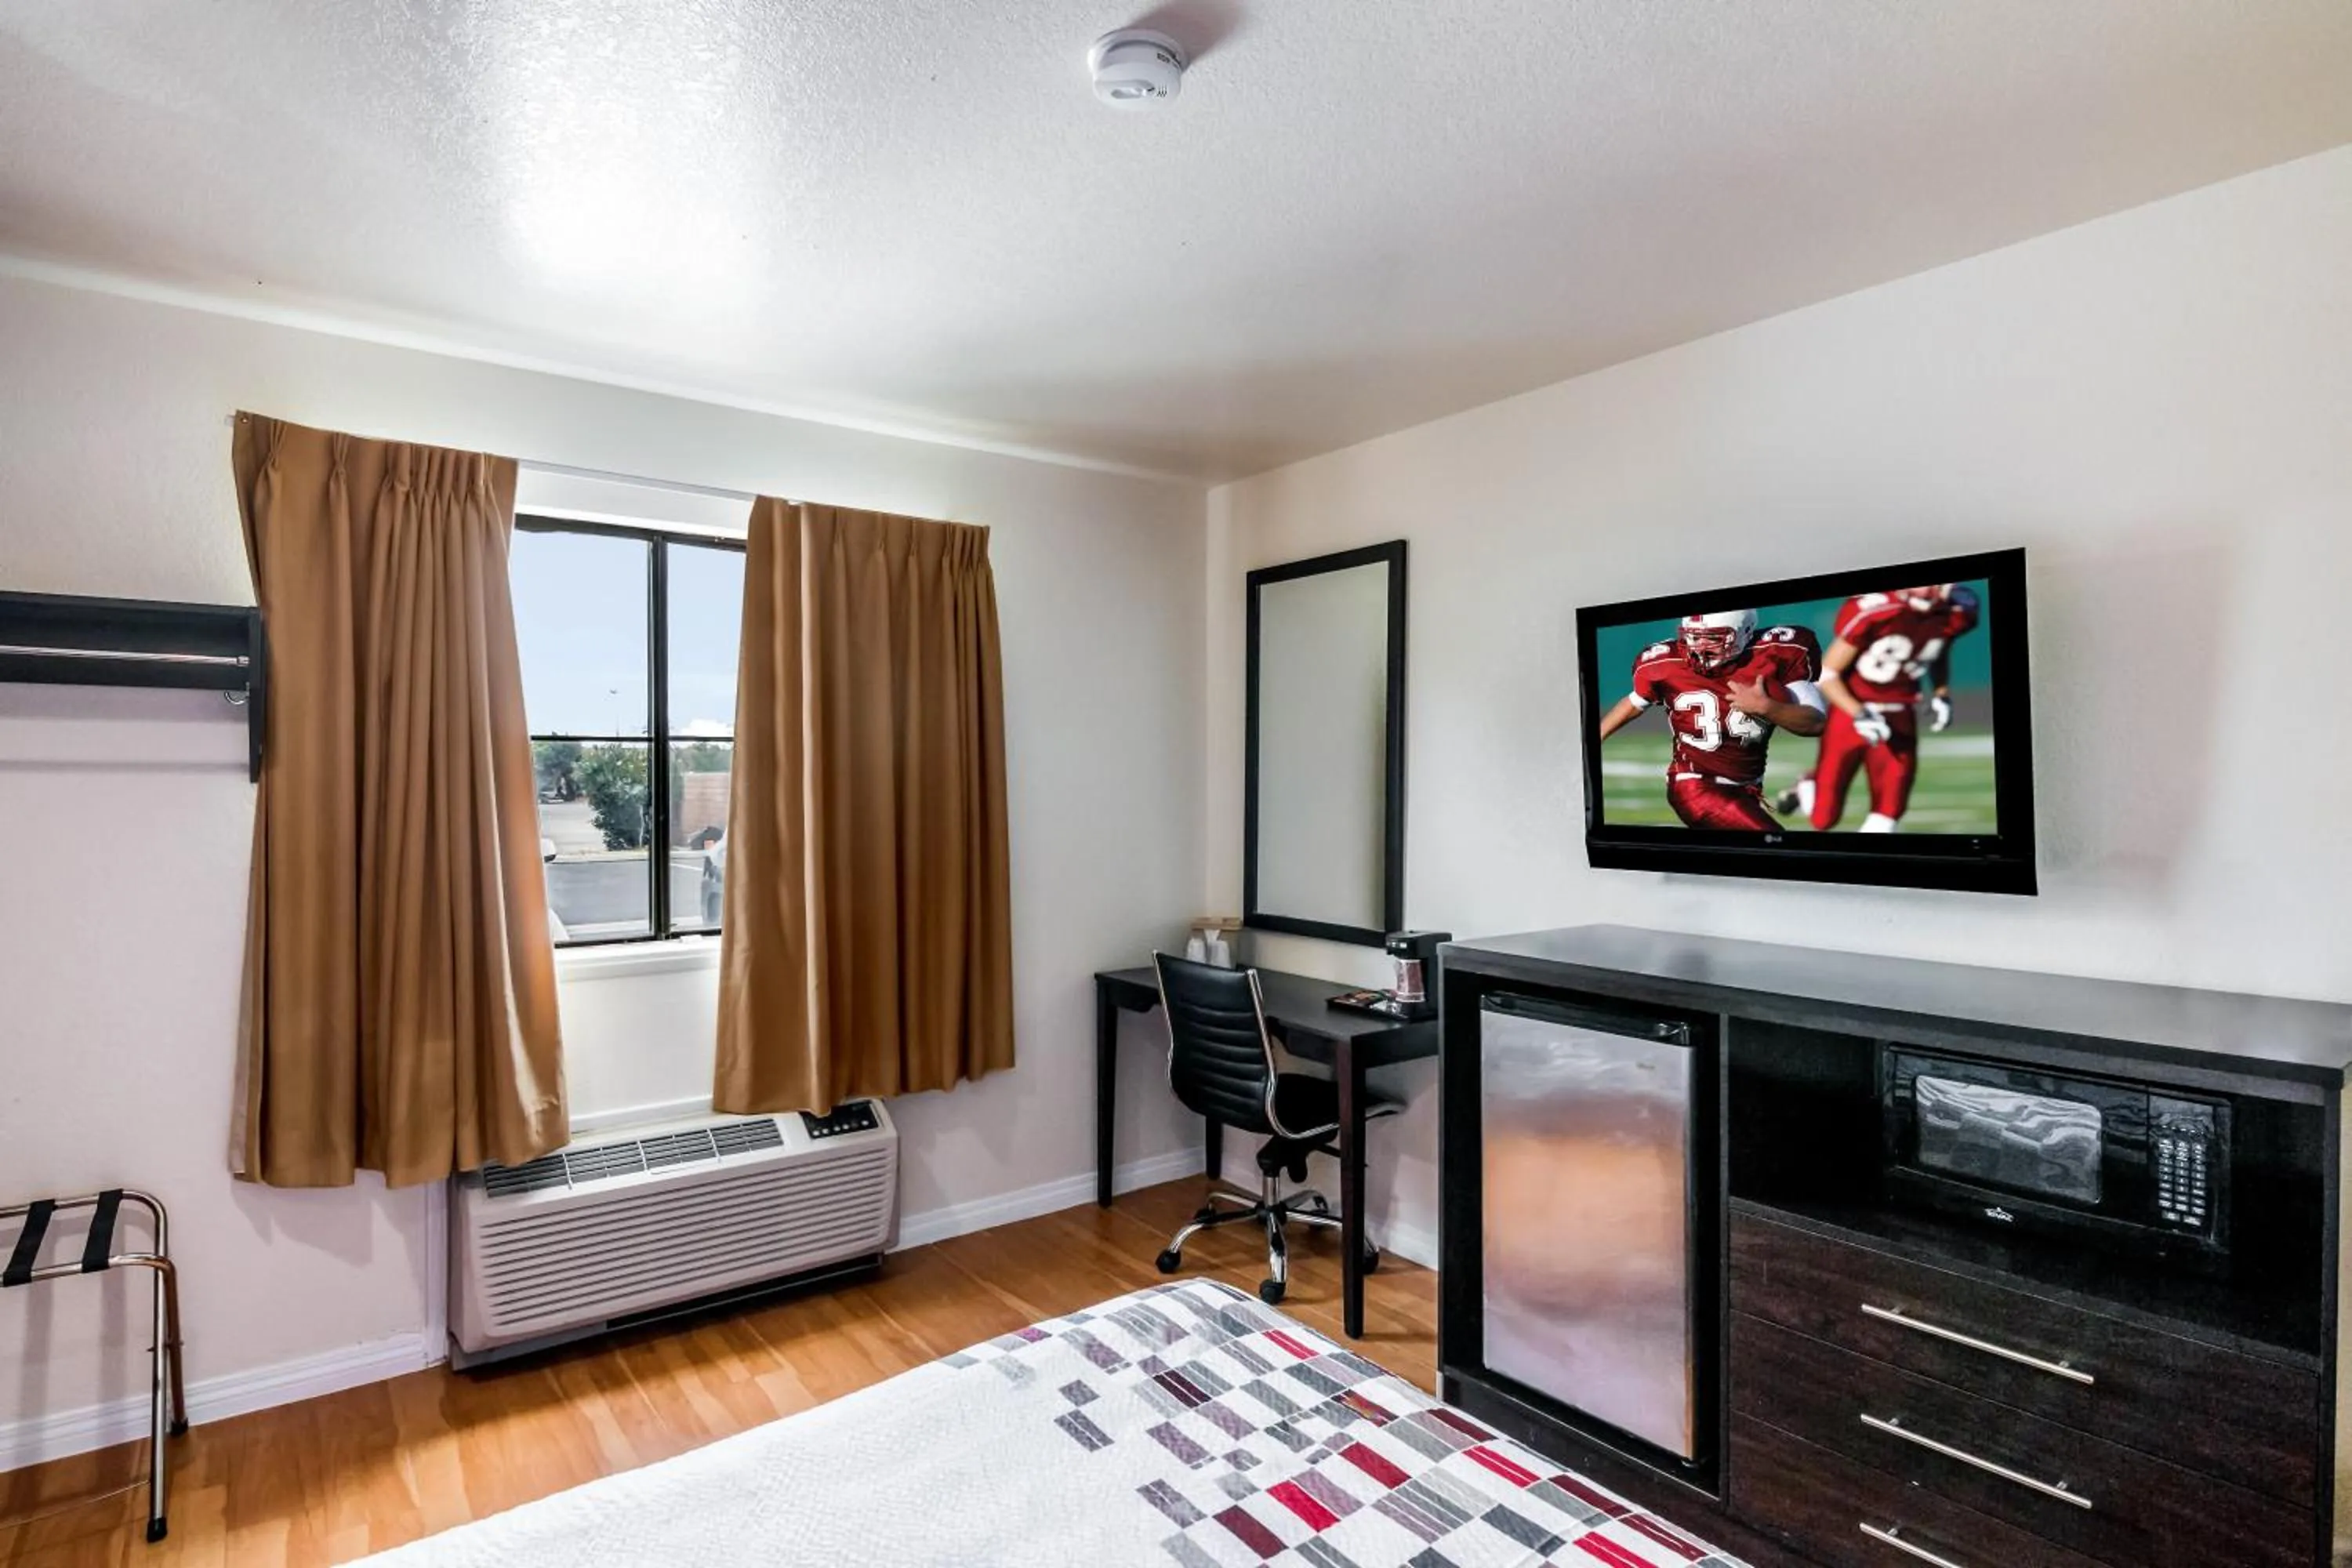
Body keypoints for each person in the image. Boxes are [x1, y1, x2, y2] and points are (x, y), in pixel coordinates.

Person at [1596, 609, 1827, 830]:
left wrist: (1767, 708)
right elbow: (1635, 702)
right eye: (1693, 637)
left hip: (1746, 787)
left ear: (1744, 633)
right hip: (1695, 785)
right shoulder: (1664, 663)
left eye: (1713, 638)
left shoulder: (1778, 653)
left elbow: (1816, 722)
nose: (1699, 647)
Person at [1775, 584, 1980, 832]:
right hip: (1851, 713)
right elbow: (1827, 673)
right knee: (1824, 820)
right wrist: (1859, 713)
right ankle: (1809, 784)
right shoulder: (1876, 609)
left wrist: (1941, 692)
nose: (1933, 588)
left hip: (1900, 713)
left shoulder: (1958, 609)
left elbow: (1937, 647)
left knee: (1889, 813)